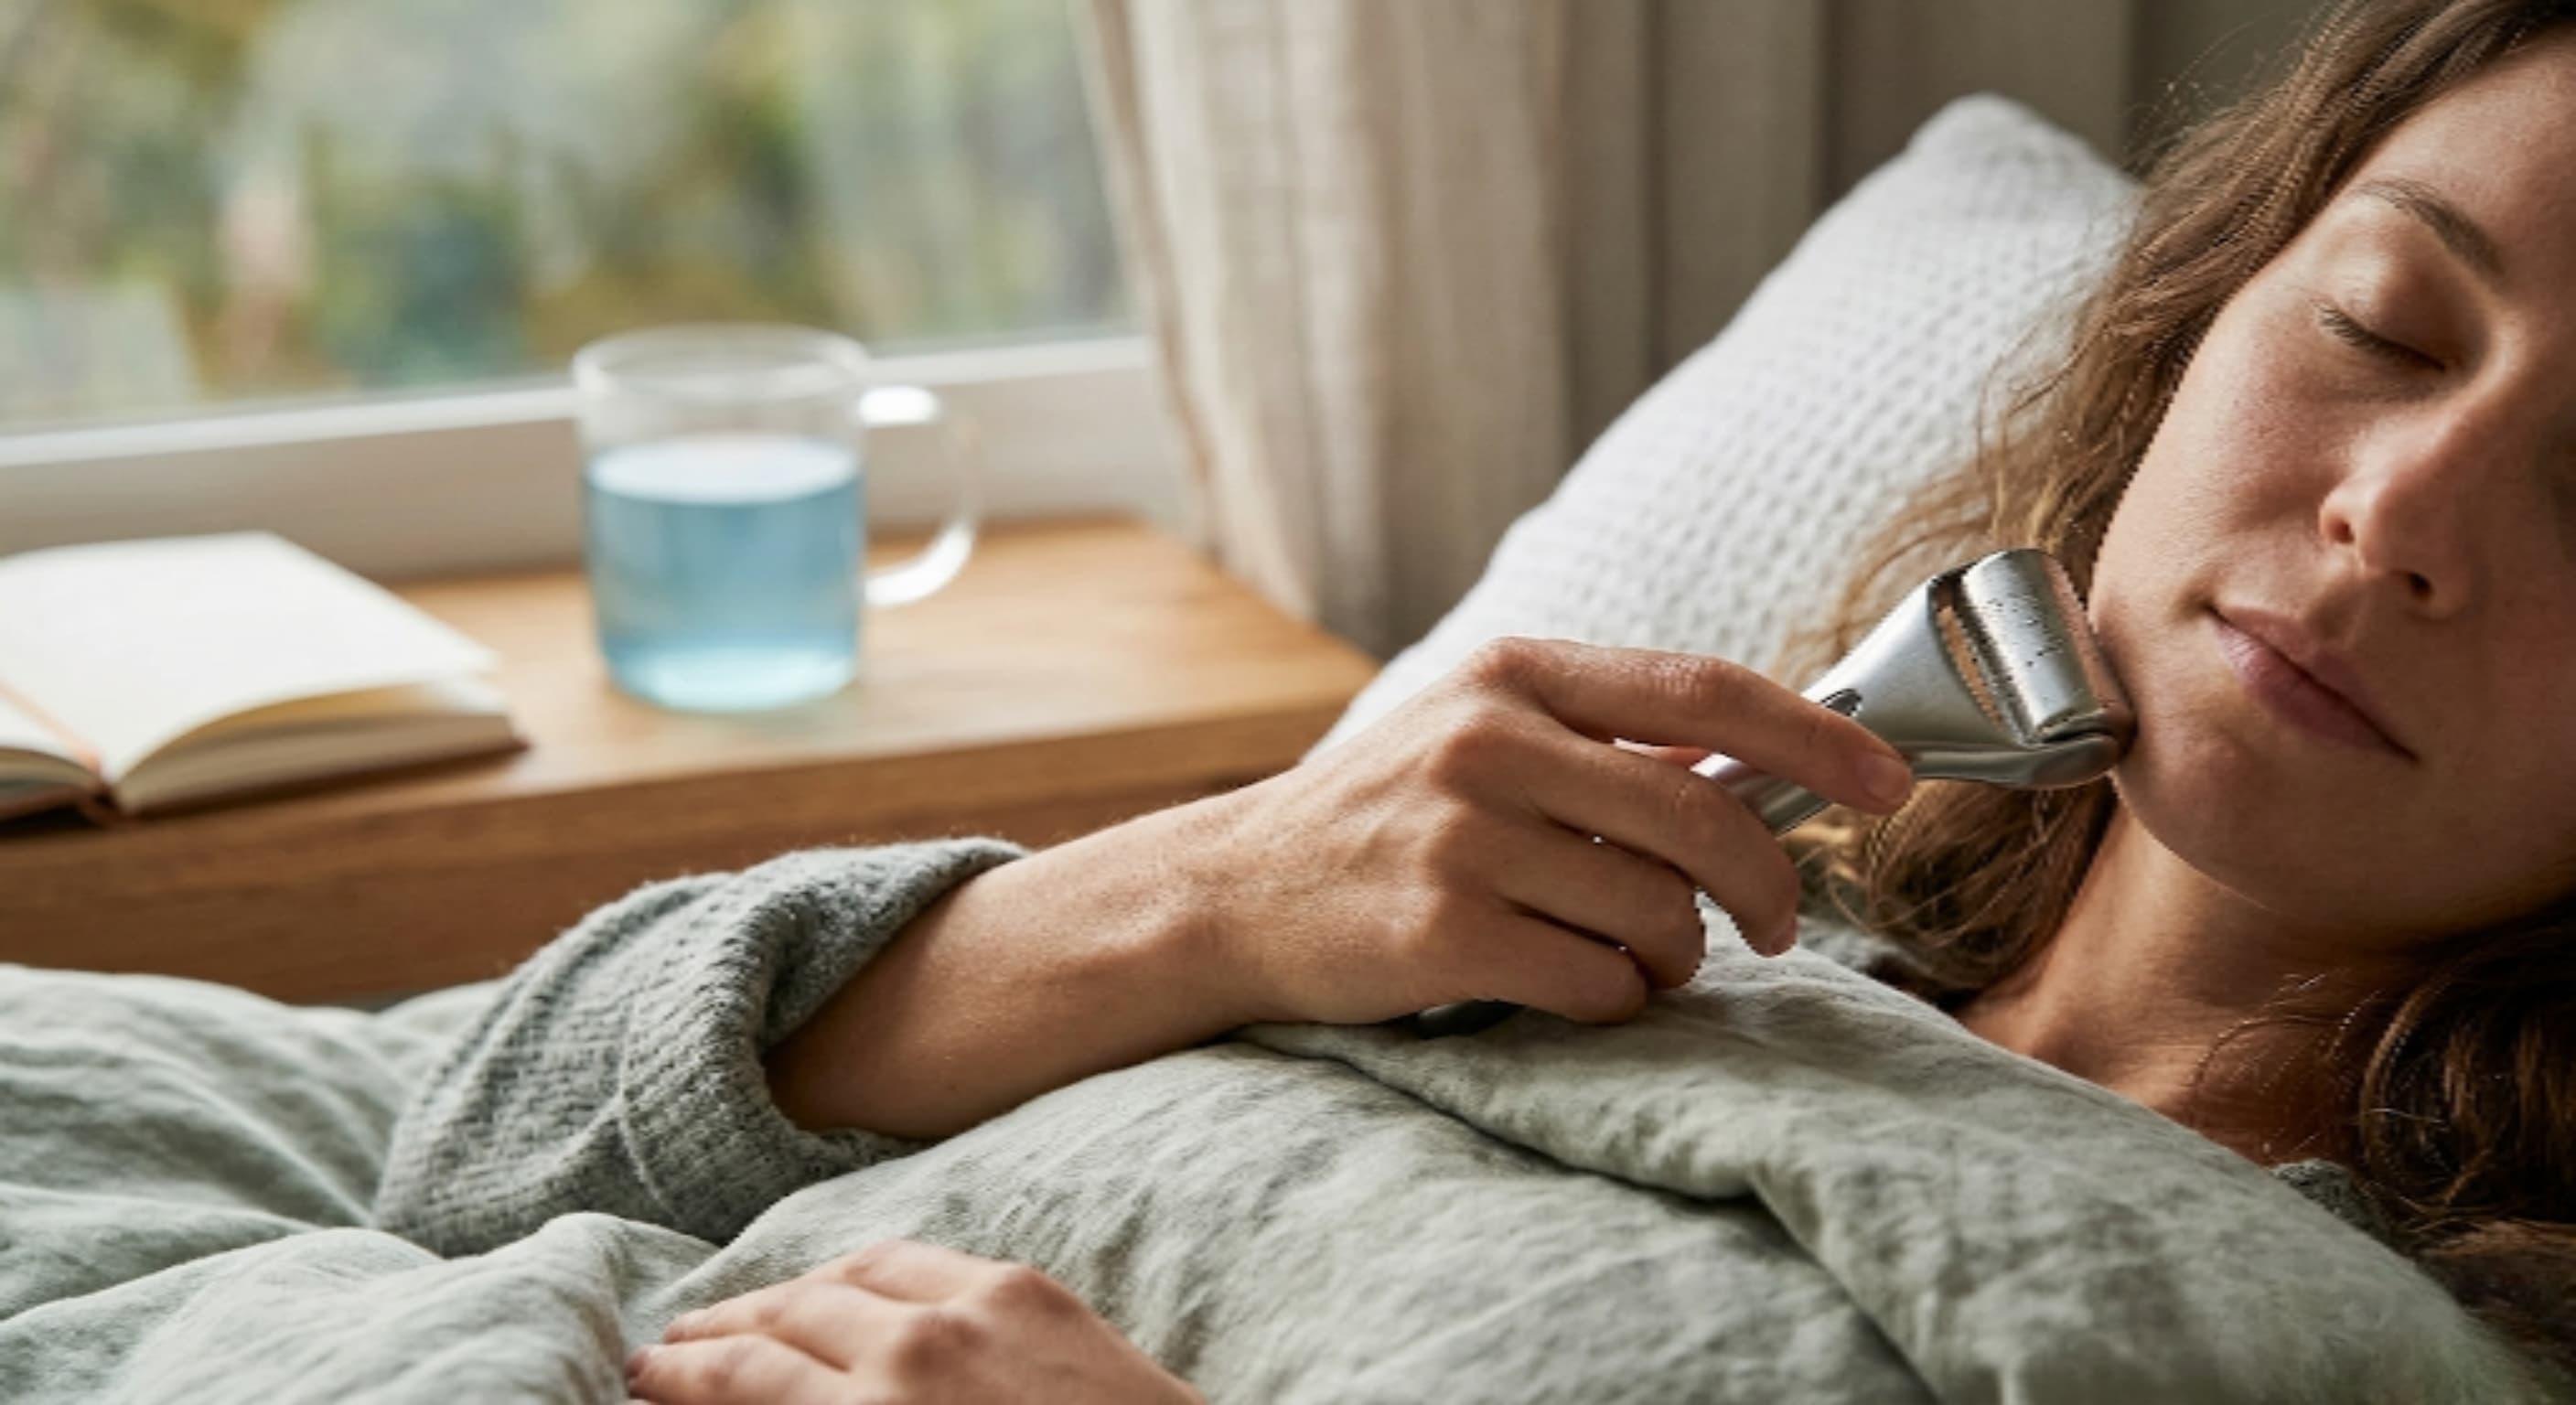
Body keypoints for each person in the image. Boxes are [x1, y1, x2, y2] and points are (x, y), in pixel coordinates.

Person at [1, 1, 2568, 1400]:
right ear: (2197, 320)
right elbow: (460, 1140)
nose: (2402, 515)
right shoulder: (1640, 908)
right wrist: (1203, 886)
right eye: (2377, 322)